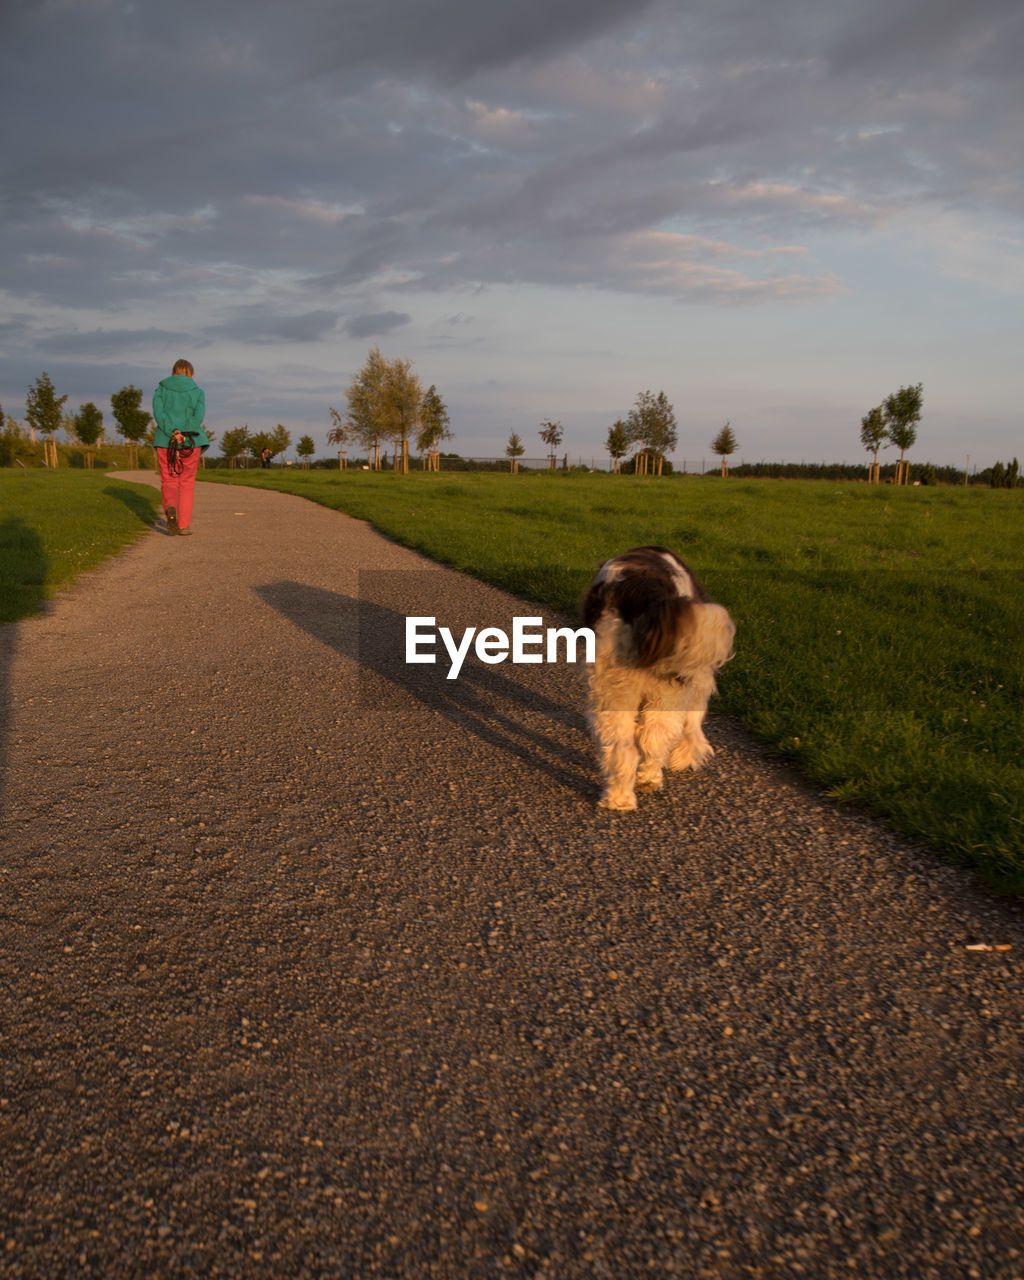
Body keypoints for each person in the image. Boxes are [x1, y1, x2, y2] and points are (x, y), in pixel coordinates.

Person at [152, 359, 209, 536]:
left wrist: (173, 432)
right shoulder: (197, 392)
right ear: (191, 373)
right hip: (191, 441)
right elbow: (198, 416)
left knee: (168, 479)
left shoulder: (161, 390)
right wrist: (184, 432)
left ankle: (170, 506)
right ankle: (183, 525)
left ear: (173, 372)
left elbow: (158, 413)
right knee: (186, 483)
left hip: (165, 441)